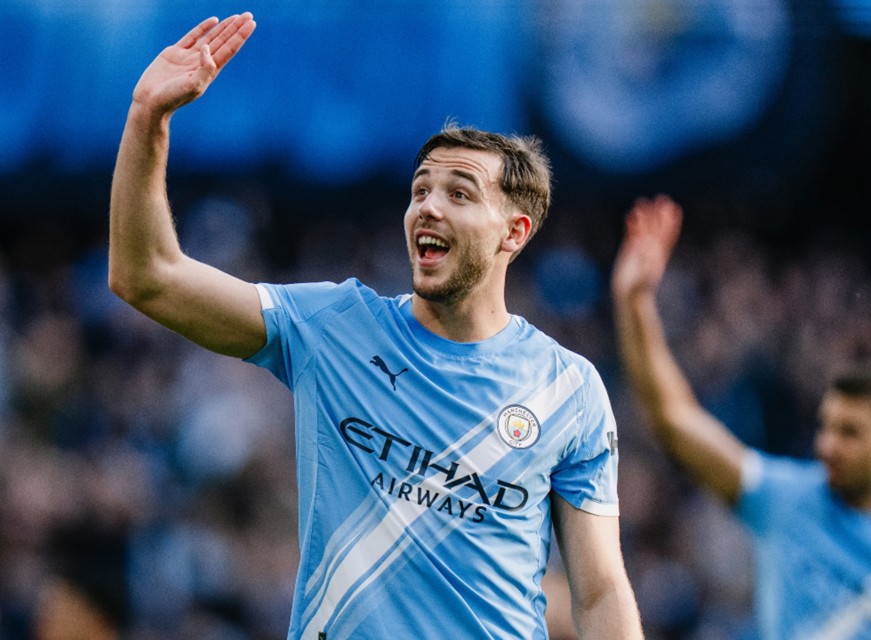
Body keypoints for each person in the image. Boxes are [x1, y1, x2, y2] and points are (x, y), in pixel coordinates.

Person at [108, 13, 642, 639]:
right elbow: (146, 276)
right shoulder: (333, 327)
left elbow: (601, 590)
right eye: (420, 190)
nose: (429, 207)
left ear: (514, 233)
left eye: (460, 193)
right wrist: (148, 118)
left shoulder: (568, 391)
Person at [610, 194, 871, 639]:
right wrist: (635, 302)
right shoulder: (785, 501)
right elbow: (675, 421)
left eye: (851, 432)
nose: (828, 444)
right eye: (827, 427)